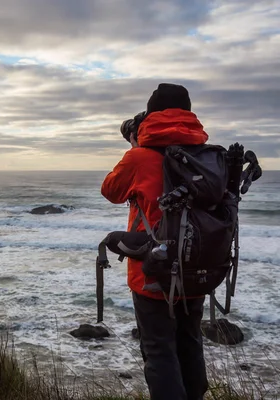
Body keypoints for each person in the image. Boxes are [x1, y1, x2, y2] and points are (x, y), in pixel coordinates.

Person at [101, 83, 209, 400]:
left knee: (159, 351)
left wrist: (136, 148)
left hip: (152, 272)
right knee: (190, 343)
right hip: (197, 269)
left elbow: (110, 191)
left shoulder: (140, 157)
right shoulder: (207, 157)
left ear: (151, 116)